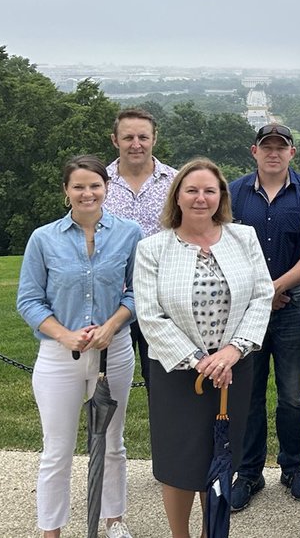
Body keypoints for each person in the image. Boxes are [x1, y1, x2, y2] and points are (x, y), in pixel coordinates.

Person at [134, 158, 274, 538]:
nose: (200, 198)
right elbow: (149, 315)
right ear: (177, 195)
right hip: (178, 374)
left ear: (221, 196)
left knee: (220, 458)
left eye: (209, 190)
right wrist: (199, 361)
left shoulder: (243, 238)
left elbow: (262, 296)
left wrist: (233, 351)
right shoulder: (152, 249)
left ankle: (213, 532)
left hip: (234, 369)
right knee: (179, 464)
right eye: (192, 190)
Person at [16, 155, 142, 538]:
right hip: (59, 355)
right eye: (79, 186)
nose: (87, 193)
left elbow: (138, 292)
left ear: (106, 188)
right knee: (57, 449)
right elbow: (29, 300)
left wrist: (114, 324)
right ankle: (51, 529)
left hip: (114, 351)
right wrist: (64, 334)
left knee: (113, 442)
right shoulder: (44, 238)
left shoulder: (129, 233)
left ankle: (113, 521)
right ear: (66, 191)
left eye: (95, 185)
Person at [227, 123, 300, 510]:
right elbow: (224, 247)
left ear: (292, 152)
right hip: (244, 308)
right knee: (249, 395)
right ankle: (249, 472)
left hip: (294, 306)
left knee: (292, 394)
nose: (273, 152)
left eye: (280, 147)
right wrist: (259, 293)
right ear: (254, 151)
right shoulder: (233, 193)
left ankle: (292, 466)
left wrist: (276, 288)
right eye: (266, 146)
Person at [104, 106, 177, 395]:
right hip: (113, 298)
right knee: (106, 383)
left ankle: (167, 439)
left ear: (154, 139)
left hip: (163, 297)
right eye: (128, 137)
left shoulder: (176, 182)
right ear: (115, 140)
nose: (136, 144)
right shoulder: (100, 183)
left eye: (143, 137)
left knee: (162, 382)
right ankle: (107, 441)